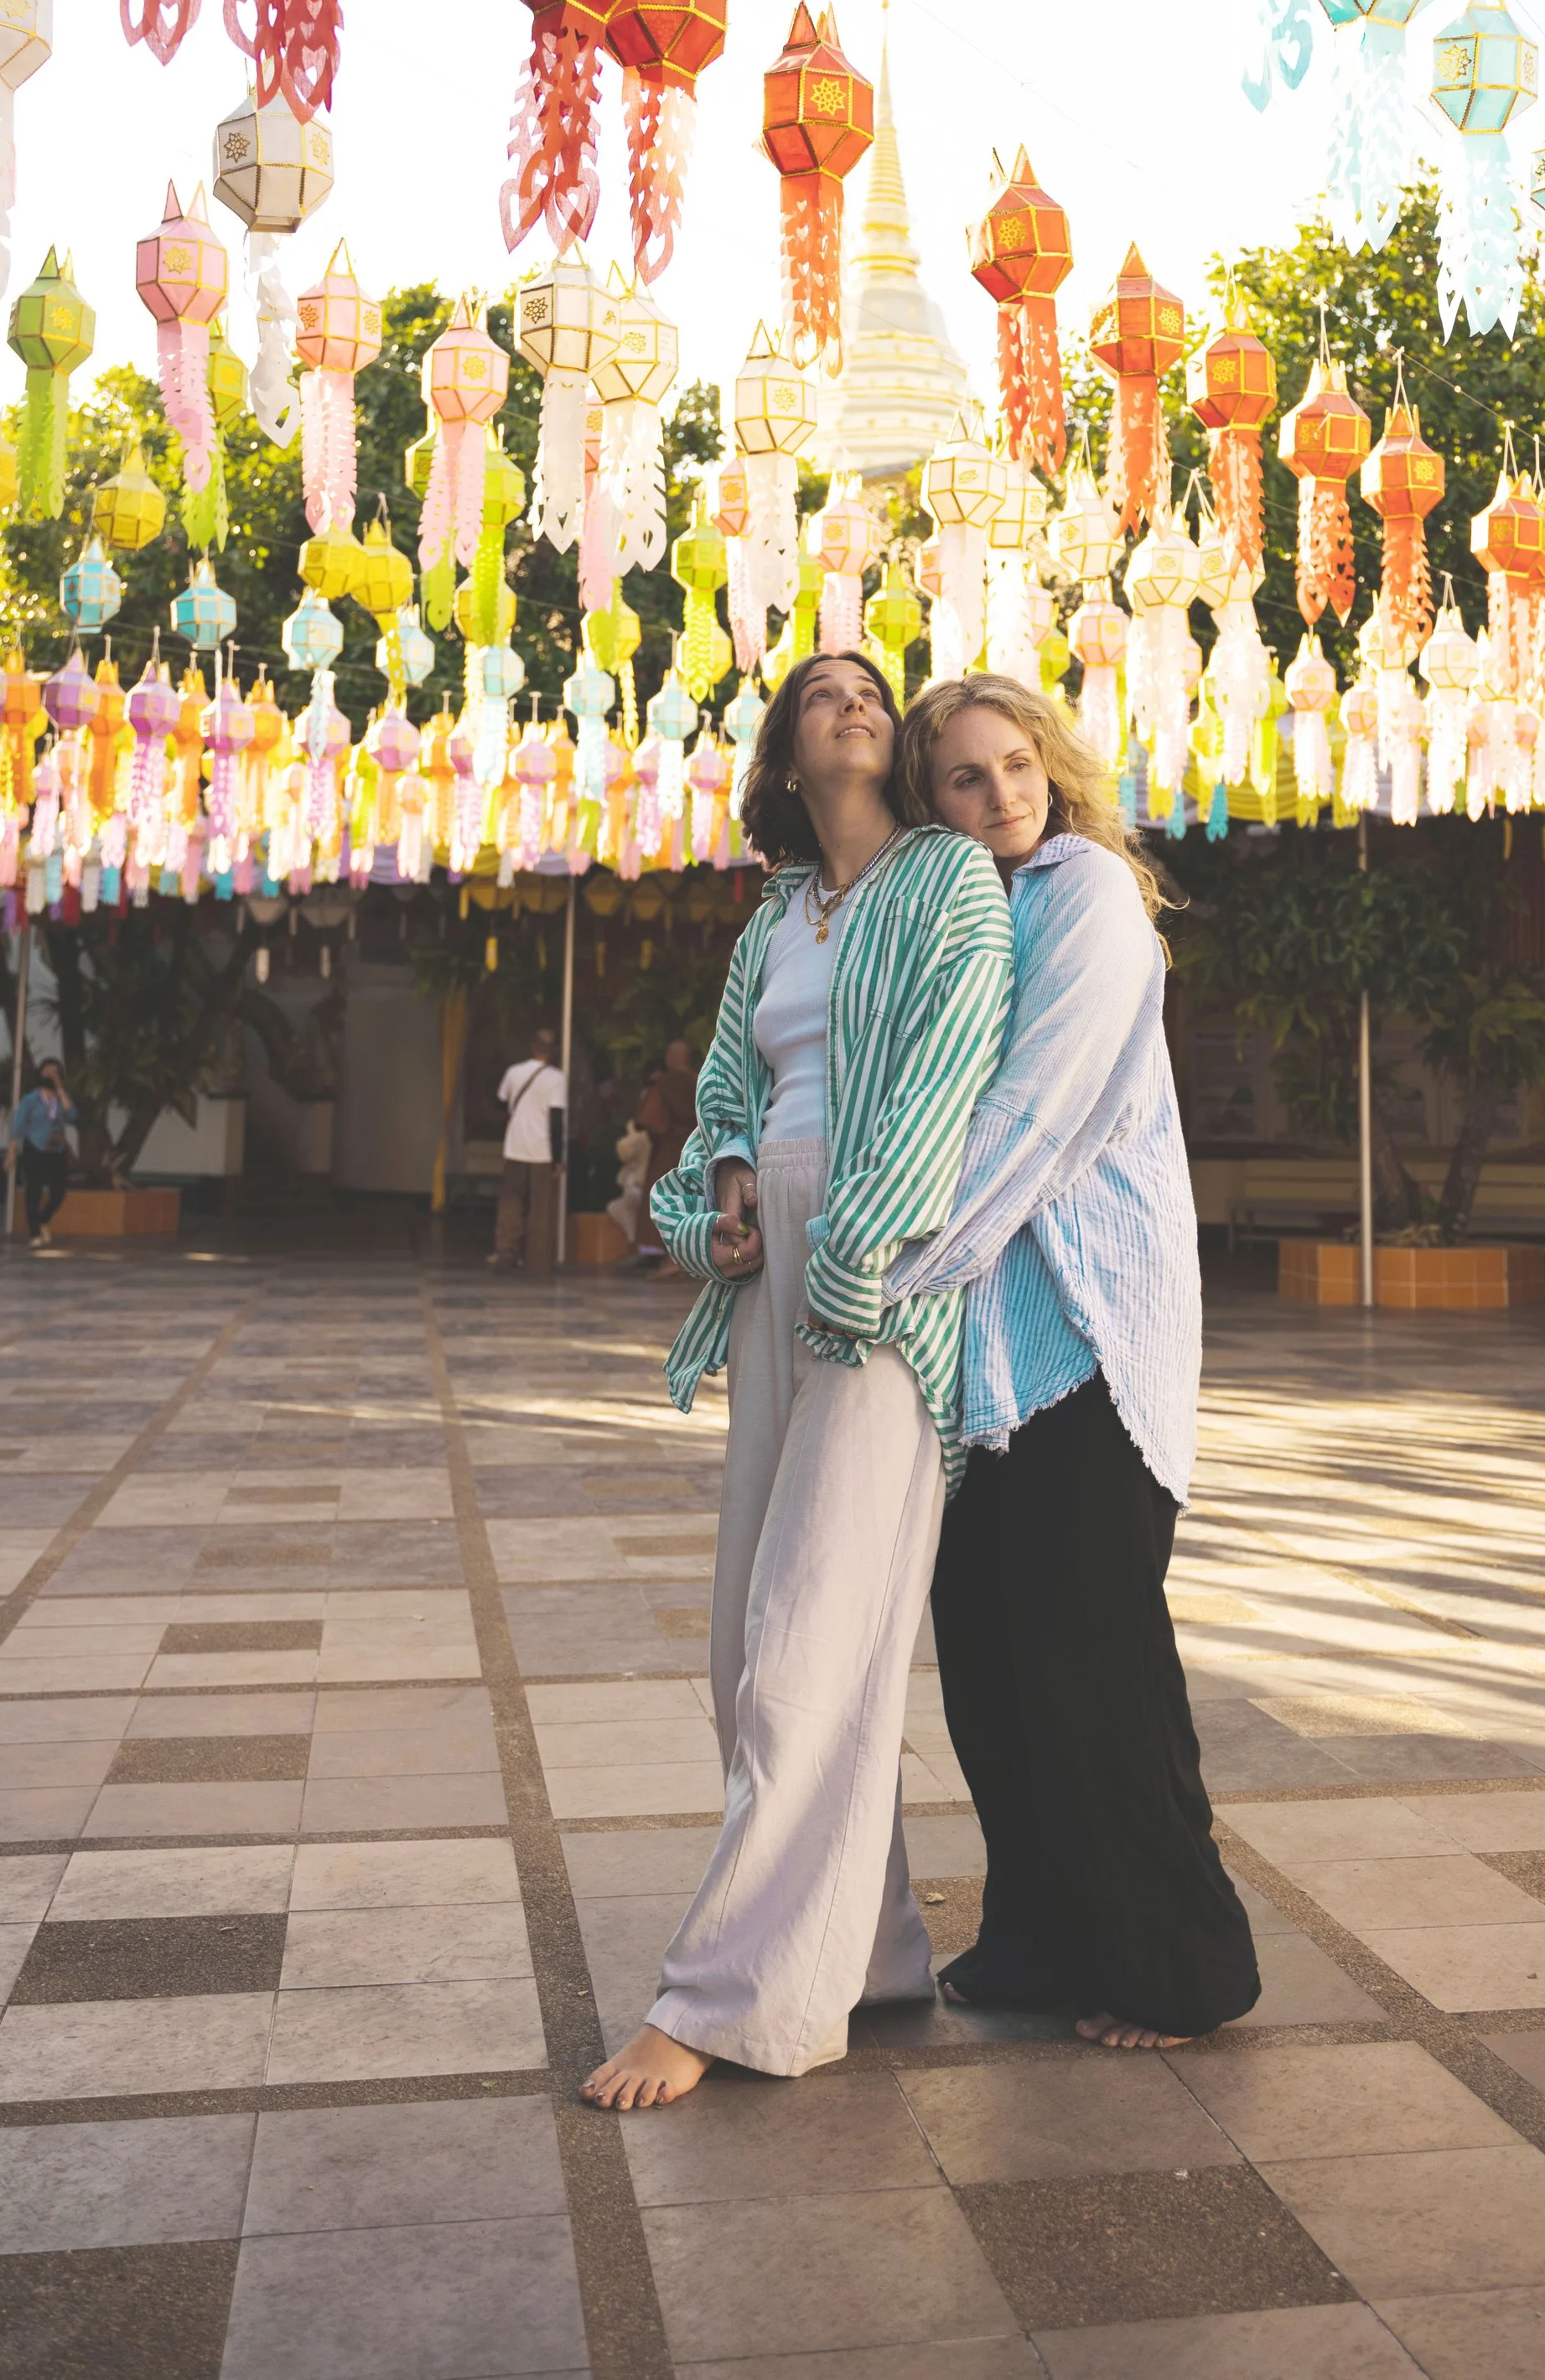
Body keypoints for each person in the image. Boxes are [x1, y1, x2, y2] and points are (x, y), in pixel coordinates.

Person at [579, 653, 1012, 2113]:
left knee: (811, 1631)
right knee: (742, 1641)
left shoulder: (950, 879)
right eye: (822, 687)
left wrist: (863, 1247)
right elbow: (721, 1093)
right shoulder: (776, 918)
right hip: (775, 1267)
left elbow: (948, 1072)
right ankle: (872, 1946)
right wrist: (731, 1191)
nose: (853, 696)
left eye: (872, 687)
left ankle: (726, 1999)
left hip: (883, 1278)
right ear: (785, 744)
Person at [889, 672, 1259, 2051]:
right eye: (966, 778)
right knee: (990, 1655)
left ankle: (1182, 1965)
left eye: (1018, 765)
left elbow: (1030, 1117)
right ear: (928, 802)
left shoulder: (1086, 894)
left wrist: (885, 1266)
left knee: (1095, 1657)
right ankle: (1043, 1938)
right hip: (983, 1352)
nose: (1003, 794)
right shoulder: (957, 908)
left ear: (1055, 767)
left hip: (1090, 1335)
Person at [490, 1028, 565, 1276]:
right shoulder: (556, 1078)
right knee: (540, 1207)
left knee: (510, 1202)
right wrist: (558, 1158)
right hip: (541, 1150)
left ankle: (506, 1252)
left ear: (533, 1046)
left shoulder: (514, 1072)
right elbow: (556, 1120)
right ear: (553, 1050)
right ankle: (537, 1260)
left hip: (514, 1147)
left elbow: (500, 1103)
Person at [627, 1040, 697, 1271]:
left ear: (670, 1059)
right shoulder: (699, 1080)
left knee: (660, 1196)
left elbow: (649, 1121)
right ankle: (686, 1256)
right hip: (696, 1147)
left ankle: (667, 1257)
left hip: (669, 1148)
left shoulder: (665, 1082)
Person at [10, 1058, 76, 1247]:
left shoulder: (62, 1098)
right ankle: (35, 1233)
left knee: (58, 1191)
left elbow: (72, 1116)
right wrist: (12, 1152)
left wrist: (61, 1090)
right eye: (47, 1071)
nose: (50, 1075)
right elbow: (18, 1126)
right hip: (35, 1148)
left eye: (54, 1072)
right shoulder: (31, 1099)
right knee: (34, 1190)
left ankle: (43, 1219)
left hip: (57, 1149)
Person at [605, 1117, 654, 1252]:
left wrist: (632, 1133)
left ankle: (637, 1243)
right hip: (639, 1187)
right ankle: (636, 1243)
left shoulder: (643, 1138)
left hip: (642, 1188)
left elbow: (625, 1149)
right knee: (616, 1207)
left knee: (625, 1206)